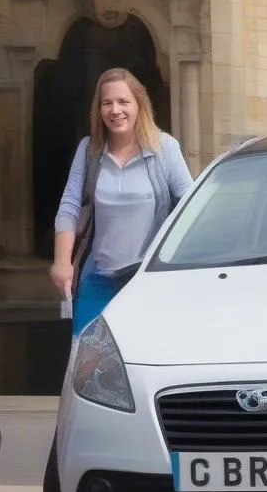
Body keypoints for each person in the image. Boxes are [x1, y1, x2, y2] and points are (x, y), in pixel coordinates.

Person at [50, 67, 194, 335]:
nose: (115, 110)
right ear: (99, 109)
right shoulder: (89, 150)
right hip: (99, 278)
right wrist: (62, 261)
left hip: (146, 281)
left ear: (139, 104)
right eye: (107, 103)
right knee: (87, 359)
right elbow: (69, 205)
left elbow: (191, 208)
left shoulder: (165, 148)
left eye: (123, 102)